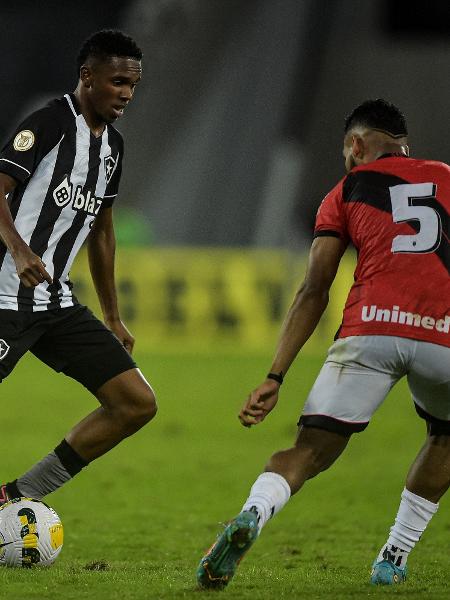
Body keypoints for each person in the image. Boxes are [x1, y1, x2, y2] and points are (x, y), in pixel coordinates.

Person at [196, 99, 450, 588]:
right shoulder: (444, 176)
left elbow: (315, 288)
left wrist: (275, 376)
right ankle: (392, 557)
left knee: (307, 453)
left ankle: (252, 513)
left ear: (355, 146)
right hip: (443, 334)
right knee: (445, 436)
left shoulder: (347, 189)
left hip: (369, 330)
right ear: (404, 145)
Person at [0, 30, 157, 512]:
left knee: (135, 403)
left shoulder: (113, 148)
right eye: (117, 82)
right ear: (87, 77)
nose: (126, 94)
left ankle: (15, 497)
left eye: (132, 85)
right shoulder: (48, 124)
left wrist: (113, 315)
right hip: (4, 297)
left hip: (56, 302)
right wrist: (20, 249)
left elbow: (103, 230)